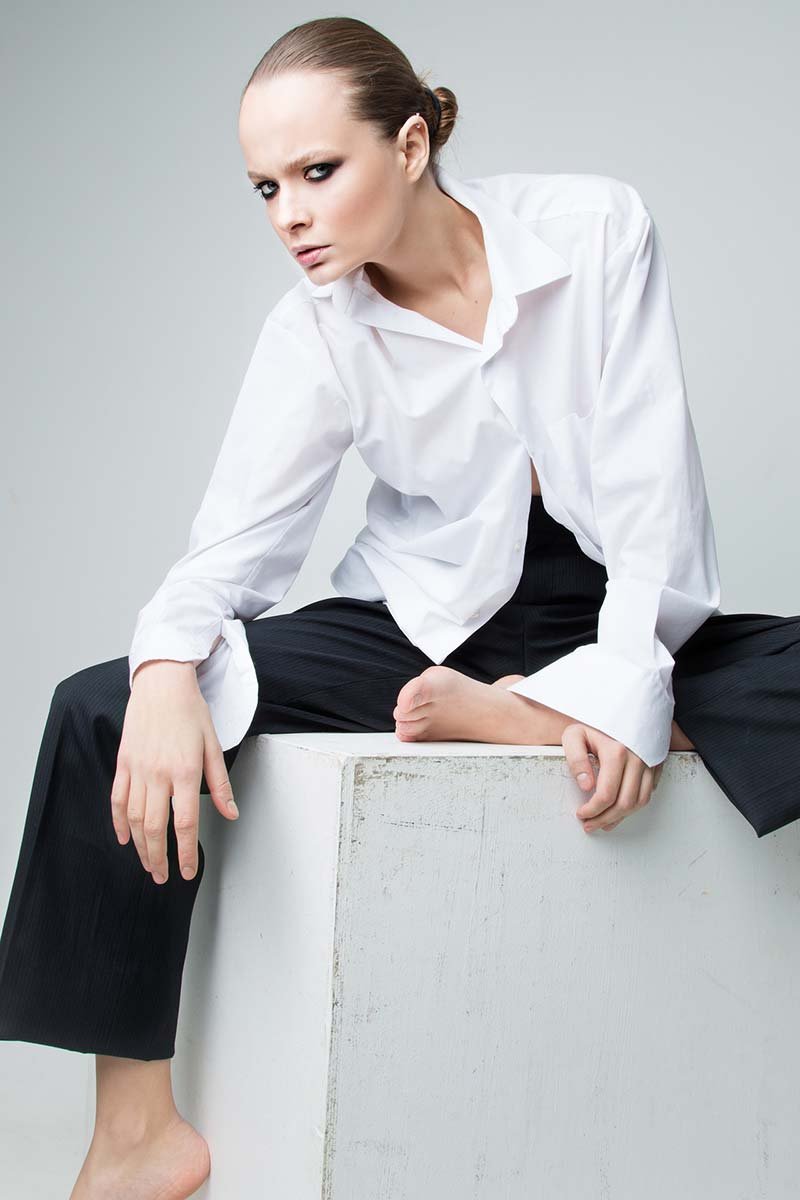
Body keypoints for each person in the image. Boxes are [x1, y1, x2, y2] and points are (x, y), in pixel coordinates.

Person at [1, 14, 798, 1200]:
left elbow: (653, 510)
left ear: (411, 143)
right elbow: (229, 552)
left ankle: (542, 713)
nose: (289, 215)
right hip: (422, 626)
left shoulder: (593, 230)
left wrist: (619, 689)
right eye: (266, 188)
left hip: (609, 605)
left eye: (317, 171)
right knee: (101, 710)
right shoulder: (313, 331)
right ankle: (134, 1135)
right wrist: (163, 672)